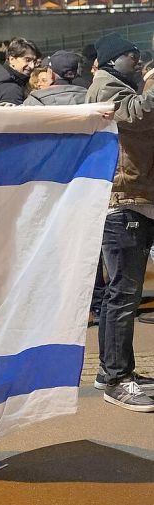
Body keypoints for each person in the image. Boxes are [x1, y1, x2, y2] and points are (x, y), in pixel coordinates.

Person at [86, 34, 154, 412]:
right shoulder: (105, 88)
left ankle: (112, 370)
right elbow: (141, 113)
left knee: (121, 295)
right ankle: (116, 378)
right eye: (133, 55)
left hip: (135, 201)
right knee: (123, 295)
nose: (139, 61)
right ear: (114, 59)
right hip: (122, 203)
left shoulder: (116, 86)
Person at [0, 37, 40, 104]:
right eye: (27, 60)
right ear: (12, 59)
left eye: (34, 61)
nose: (32, 66)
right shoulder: (12, 90)